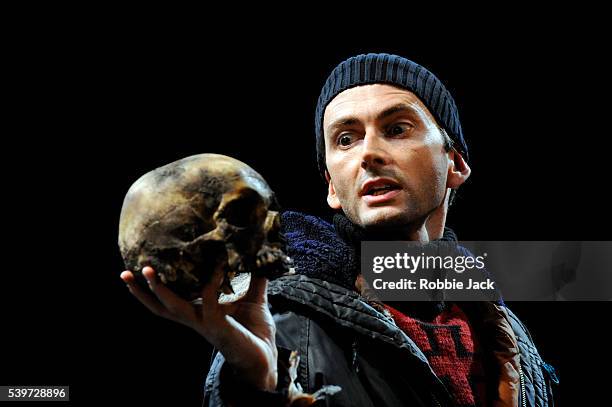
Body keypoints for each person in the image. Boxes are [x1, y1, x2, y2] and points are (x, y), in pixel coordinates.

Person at [120, 53, 558, 406]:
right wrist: (255, 387)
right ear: (331, 186)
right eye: (345, 139)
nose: (369, 153)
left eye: (397, 128)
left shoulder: (509, 334)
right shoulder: (283, 322)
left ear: (456, 163)